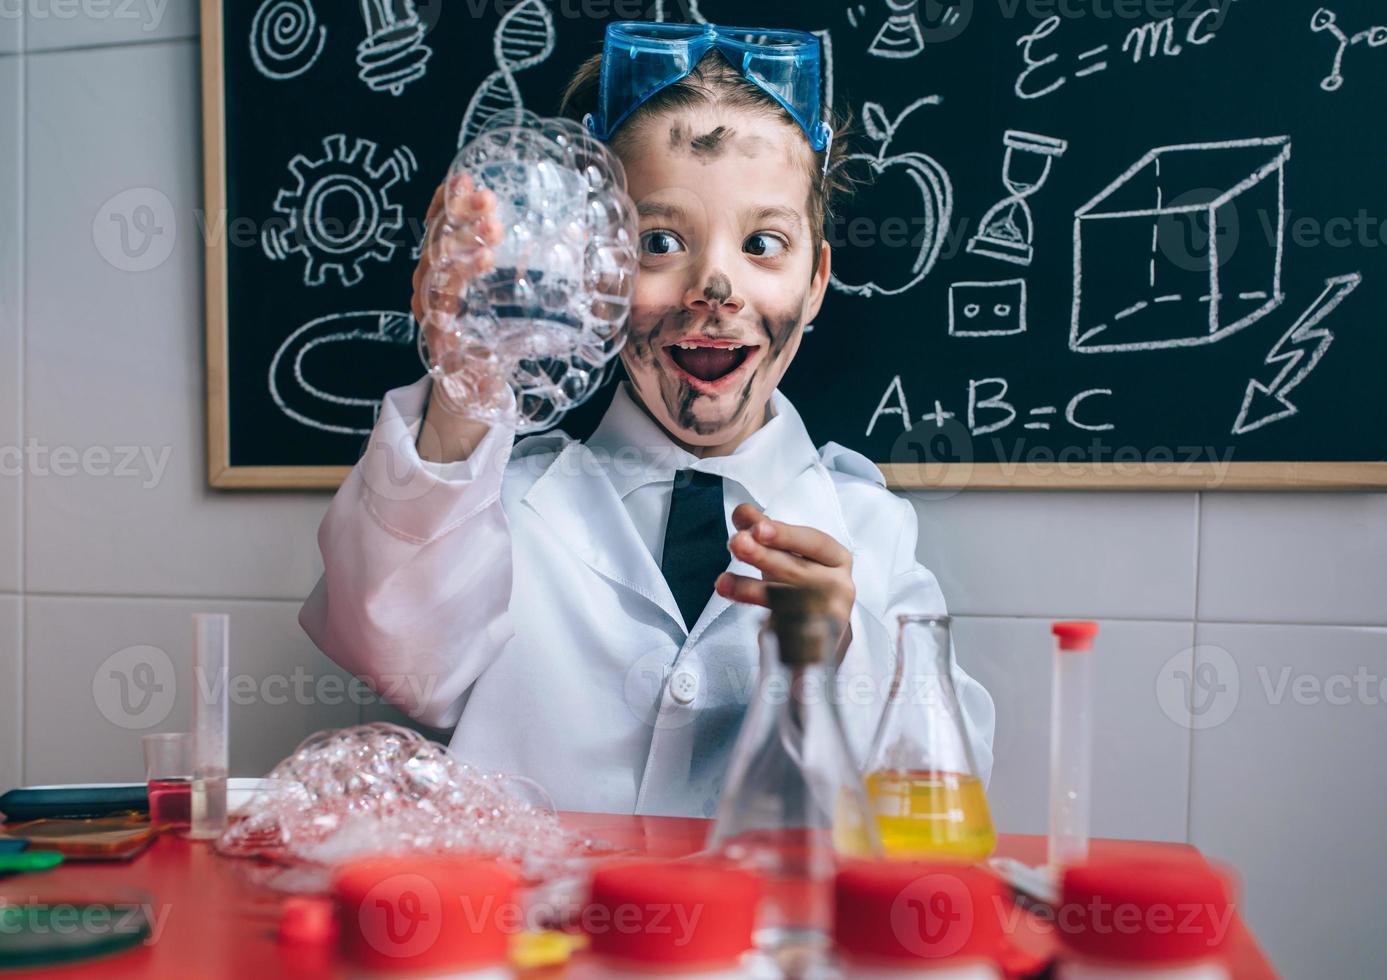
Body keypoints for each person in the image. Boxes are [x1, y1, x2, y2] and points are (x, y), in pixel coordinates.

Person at [300, 21, 994, 818]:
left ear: (816, 281)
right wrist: (465, 375)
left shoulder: (871, 532)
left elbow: (953, 778)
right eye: (659, 241)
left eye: (763, 243)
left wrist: (847, 654)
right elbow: (394, 654)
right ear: (594, 265)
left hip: (769, 941)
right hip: (537, 940)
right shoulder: (500, 507)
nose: (715, 287)